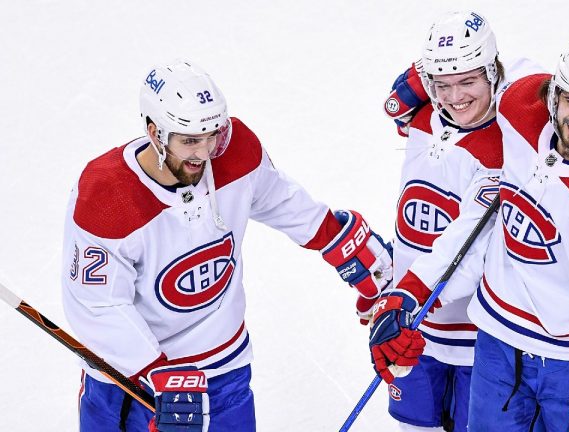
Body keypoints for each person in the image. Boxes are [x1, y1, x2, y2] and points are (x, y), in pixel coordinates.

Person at [61, 60, 393, 432]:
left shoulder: (234, 151)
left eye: (212, 135)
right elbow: (98, 305)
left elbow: (283, 202)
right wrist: (155, 374)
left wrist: (359, 257)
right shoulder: (106, 196)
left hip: (223, 366)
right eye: (189, 141)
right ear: (155, 132)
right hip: (130, 381)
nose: (204, 153)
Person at [368, 37, 569, 432]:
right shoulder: (521, 111)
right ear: (553, 93)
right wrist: (408, 293)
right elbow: (487, 64)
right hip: (495, 344)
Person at [366, 11, 542, 432]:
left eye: (469, 82)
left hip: (474, 338)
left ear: (492, 74)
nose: (455, 97)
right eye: (441, 85)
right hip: (412, 331)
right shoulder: (423, 118)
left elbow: (466, 246)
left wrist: (404, 299)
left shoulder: (505, 148)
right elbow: (399, 106)